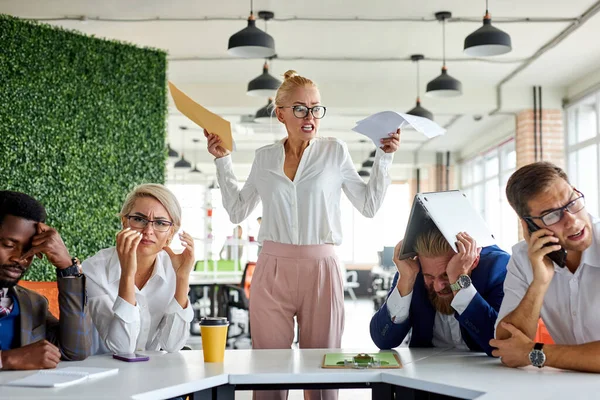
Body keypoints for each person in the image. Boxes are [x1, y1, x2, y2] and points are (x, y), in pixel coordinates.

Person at [204, 70, 400, 400]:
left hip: (321, 269)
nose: (309, 116)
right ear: (280, 112)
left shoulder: (334, 152)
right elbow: (238, 211)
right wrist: (223, 162)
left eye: (316, 108)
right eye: (299, 108)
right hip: (271, 269)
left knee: (322, 373)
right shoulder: (264, 157)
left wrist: (385, 157)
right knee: (268, 373)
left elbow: (368, 206)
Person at [491, 162, 600, 373]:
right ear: (529, 225)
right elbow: (505, 345)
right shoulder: (525, 258)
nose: (572, 221)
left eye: (572, 202)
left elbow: (521, 352)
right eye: (551, 215)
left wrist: (534, 353)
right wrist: (539, 282)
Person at [83, 184, 195, 355]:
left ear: (171, 233)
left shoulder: (173, 267)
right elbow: (122, 348)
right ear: (124, 222)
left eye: (160, 223)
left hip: (155, 373)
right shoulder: (94, 269)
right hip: (104, 372)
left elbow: (172, 345)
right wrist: (127, 274)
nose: (148, 230)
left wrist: (182, 278)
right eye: (139, 219)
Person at [370, 227, 509, 355]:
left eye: (446, 275)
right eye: (429, 277)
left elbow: (499, 344)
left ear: (473, 260)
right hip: (423, 375)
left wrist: (459, 281)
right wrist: (405, 280)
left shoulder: (498, 267)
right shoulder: (414, 271)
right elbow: (383, 340)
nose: (438, 287)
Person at [0, 191, 91, 370]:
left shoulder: (32, 304)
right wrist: (7, 359)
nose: (20, 258)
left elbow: (76, 350)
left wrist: (67, 267)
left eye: (30, 251)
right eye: (9, 245)